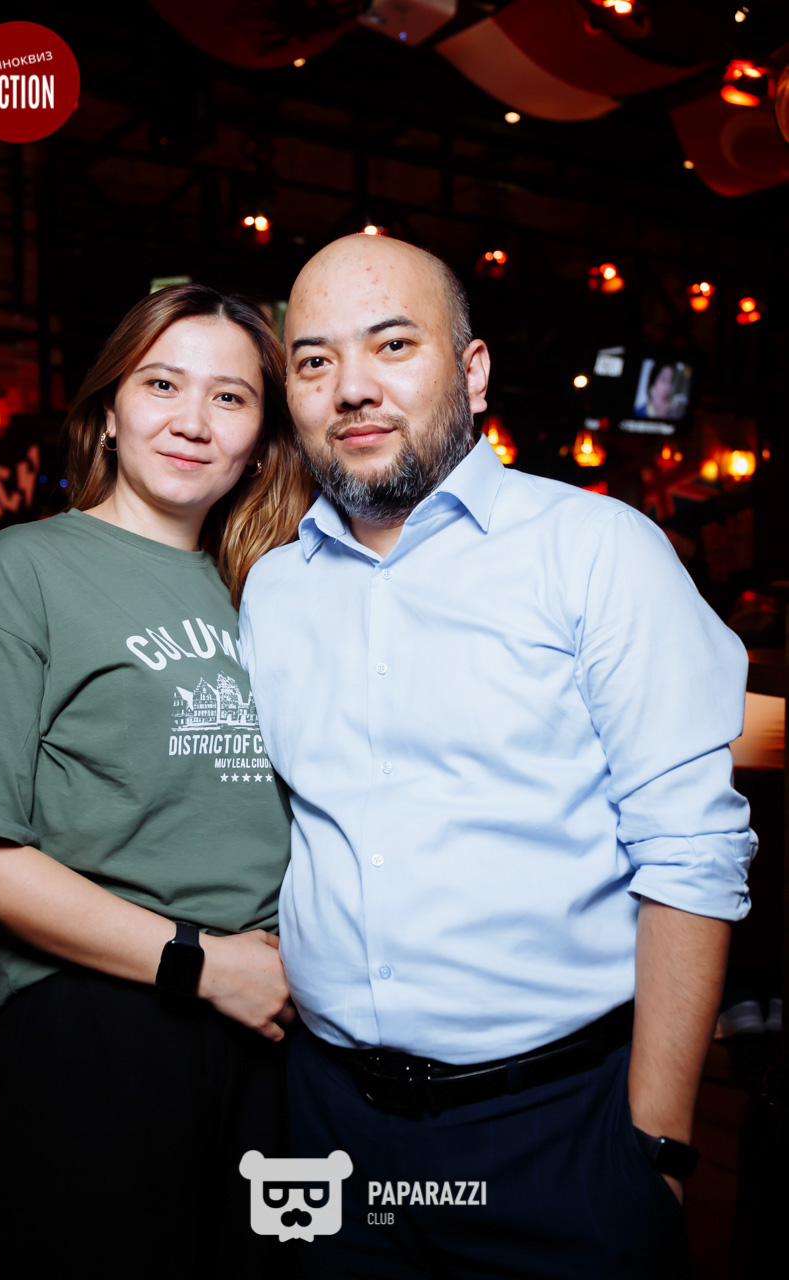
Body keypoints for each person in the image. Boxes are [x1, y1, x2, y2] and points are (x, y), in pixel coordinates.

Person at [237, 235, 756, 1279]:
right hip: (325, 1122)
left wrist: (656, 1146)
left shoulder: (594, 550)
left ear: (471, 372)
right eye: (314, 359)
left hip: (556, 1131)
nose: (352, 387)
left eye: (393, 344)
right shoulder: (273, 591)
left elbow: (690, 852)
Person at [0, 284, 312, 1280]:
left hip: (281, 1015)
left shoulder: (275, 588)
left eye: (230, 397)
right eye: (162, 384)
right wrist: (200, 962)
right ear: (109, 409)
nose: (193, 420)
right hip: (107, 1008)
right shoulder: (27, 567)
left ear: (259, 438)